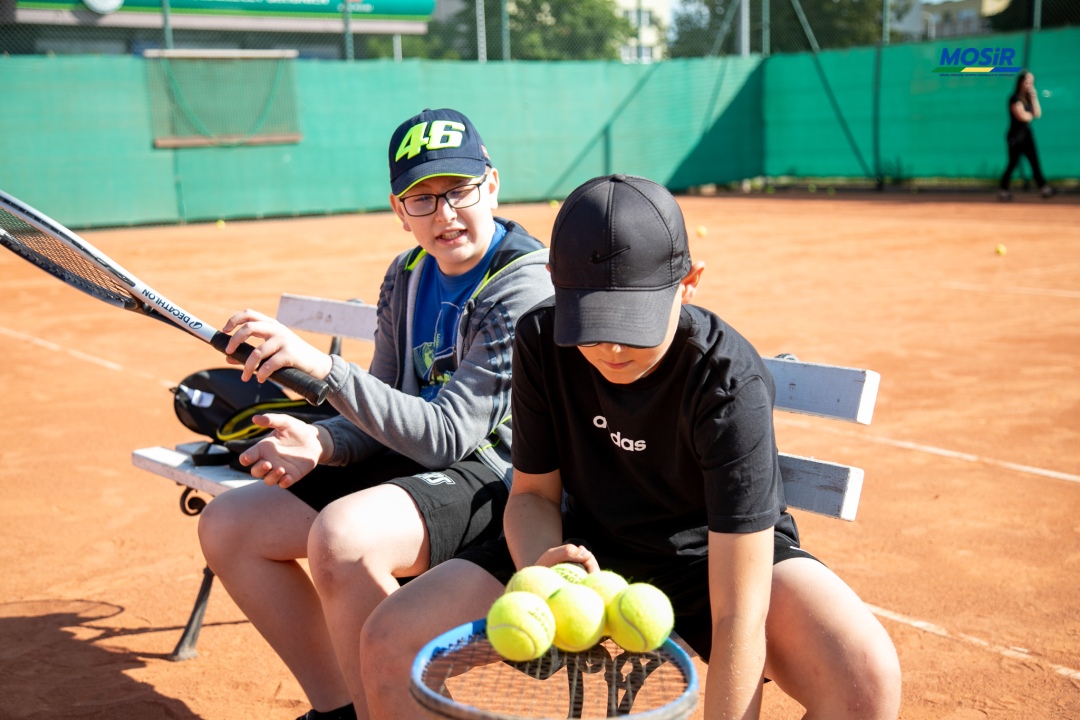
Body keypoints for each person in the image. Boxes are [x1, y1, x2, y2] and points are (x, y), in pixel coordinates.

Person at [361, 174, 902, 720]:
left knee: (865, 676)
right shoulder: (541, 341)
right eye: (591, 324)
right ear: (555, 283)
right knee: (389, 639)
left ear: (688, 283)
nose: (612, 347)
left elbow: (740, 609)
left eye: (633, 322)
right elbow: (533, 496)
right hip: (581, 547)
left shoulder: (725, 380)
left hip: (710, 557)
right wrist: (543, 572)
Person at [196, 108, 552, 720]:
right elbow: (385, 396)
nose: (444, 214)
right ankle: (343, 709)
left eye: (458, 191)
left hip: (502, 479)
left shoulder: (523, 284)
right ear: (398, 209)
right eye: (421, 199)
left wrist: (324, 370)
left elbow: (446, 436)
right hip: (418, 464)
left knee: (343, 538)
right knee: (230, 525)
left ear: (491, 185)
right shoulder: (407, 273)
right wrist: (322, 442)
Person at [999, 70, 1055, 201]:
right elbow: (1022, 116)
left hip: (1027, 136)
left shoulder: (1028, 99)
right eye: (1027, 81)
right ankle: (1003, 190)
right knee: (1013, 163)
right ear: (1020, 82)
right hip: (1015, 137)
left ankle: (1044, 188)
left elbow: (1037, 114)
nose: (1029, 84)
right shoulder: (1014, 98)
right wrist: (1029, 115)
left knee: (1035, 162)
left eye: (1031, 81)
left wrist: (1034, 97)